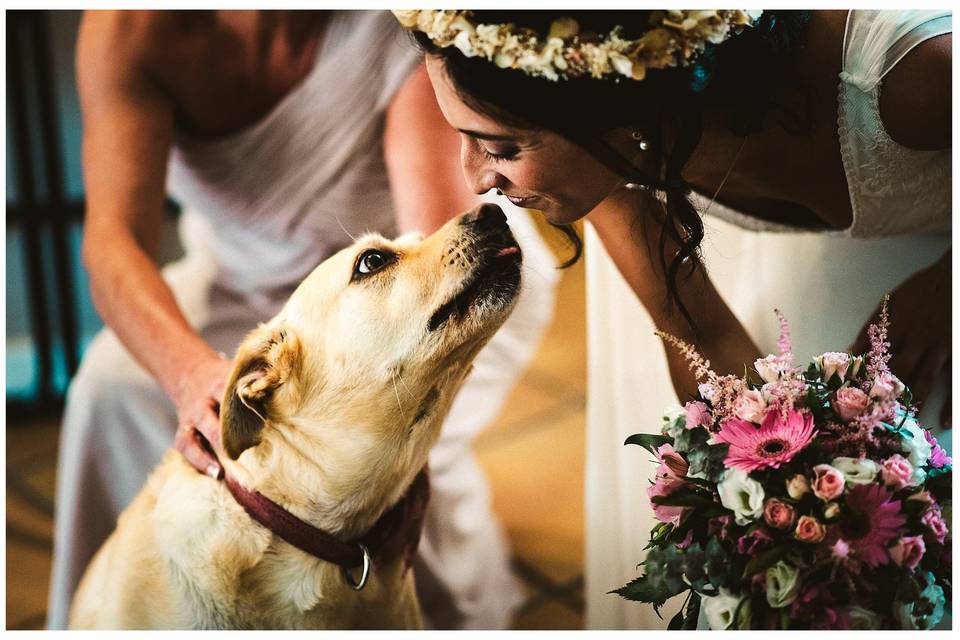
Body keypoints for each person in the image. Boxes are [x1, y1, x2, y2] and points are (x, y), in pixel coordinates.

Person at [394, 9, 951, 628]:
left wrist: (945, 288)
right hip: (788, 288)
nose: (474, 179)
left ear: (613, 113)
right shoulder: (613, 168)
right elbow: (700, 334)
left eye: (500, 147)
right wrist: (785, 525)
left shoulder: (917, 76)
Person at [48, 10, 560, 630]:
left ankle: (455, 611)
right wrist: (190, 377)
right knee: (112, 385)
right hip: (242, 282)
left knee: (375, 462)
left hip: (410, 283)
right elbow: (112, 244)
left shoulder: (400, 19)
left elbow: (434, 246)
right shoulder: (132, 28)